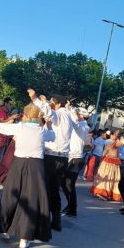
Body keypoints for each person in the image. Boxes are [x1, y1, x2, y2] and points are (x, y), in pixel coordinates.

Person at [0, 104, 55, 248]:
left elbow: (0, 127)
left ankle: (5, 229)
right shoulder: (41, 130)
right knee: (31, 199)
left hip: (18, 163)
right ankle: (25, 238)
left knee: (11, 195)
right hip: (36, 165)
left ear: (25, 114)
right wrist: (48, 125)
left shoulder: (19, 127)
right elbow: (53, 137)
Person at [28, 88, 83, 232]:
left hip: (51, 156)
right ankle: (56, 220)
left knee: (42, 188)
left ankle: (41, 220)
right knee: (54, 190)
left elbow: (48, 112)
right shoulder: (70, 116)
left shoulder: (59, 114)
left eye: (52, 101)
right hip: (63, 158)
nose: (50, 103)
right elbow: (81, 129)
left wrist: (35, 99)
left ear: (56, 103)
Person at [61, 107, 90, 217]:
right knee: (64, 183)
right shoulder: (78, 124)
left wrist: (71, 112)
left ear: (81, 116)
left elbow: (76, 125)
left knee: (69, 184)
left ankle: (73, 208)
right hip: (70, 156)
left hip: (76, 158)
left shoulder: (84, 126)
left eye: (77, 114)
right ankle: (70, 205)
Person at [90, 129, 124, 201]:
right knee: (107, 176)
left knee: (111, 177)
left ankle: (106, 192)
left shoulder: (112, 141)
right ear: (111, 135)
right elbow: (107, 150)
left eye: (117, 135)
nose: (116, 136)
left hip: (112, 161)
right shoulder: (110, 142)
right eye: (114, 135)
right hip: (108, 161)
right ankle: (102, 192)